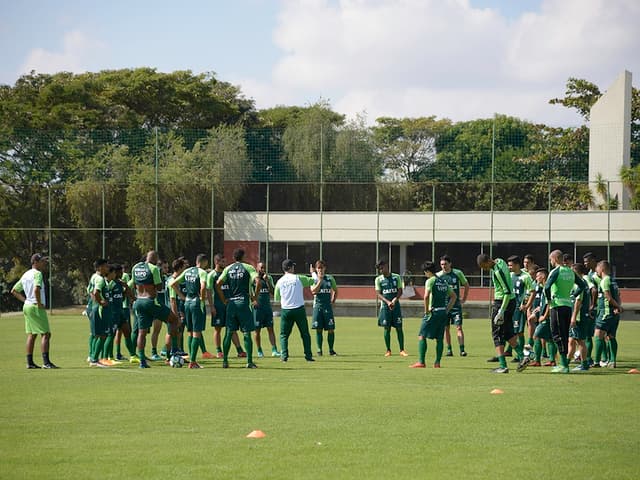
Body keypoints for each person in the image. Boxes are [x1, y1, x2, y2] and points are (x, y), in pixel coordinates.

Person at [476, 253, 529, 374]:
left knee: (497, 334)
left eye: (484, 266)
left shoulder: (497, 272)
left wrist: (501, 311)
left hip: (502, 303)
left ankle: (503, 365)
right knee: (508, 332)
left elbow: (506, 291)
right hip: (511, 302)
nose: (484, 269)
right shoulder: (500, 261)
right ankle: (523, 357)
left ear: (487, 262)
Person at [131, 250, 181, 369]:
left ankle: (142, 361)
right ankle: (173, 353)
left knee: (142, 332)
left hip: (139, 301)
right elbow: (159, 287)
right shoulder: (154, 269)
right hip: (151, 301)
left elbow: (133, 284)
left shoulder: (135, 267)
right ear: (155, 259)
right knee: (174, 320)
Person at [11, 253, 58, 369]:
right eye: (42, 261)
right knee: (46, 334)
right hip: (36, 307)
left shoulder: (26, 274)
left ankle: (30, 362)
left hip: (27, 306)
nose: (44, 263)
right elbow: (37, 289)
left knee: (32, 334)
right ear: (35, 262)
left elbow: (14, 291)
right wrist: (38, 302)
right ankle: (46, 363)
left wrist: (26, 300)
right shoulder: (38, 274)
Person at [544, 249, 587, 374]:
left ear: (556, 259)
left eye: (551, 260)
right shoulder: (570, 271)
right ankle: (564, 364)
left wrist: (549, 300)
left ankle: (563, 365)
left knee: (557, 335)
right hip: (568, 306)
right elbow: (582, 285)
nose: (550, 262)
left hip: (557, 306)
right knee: (564, 334)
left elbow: (547, 287)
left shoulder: (556, 271)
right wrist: (573, 295)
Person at [215, 248, 259, 368]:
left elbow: (218, 284)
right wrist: (255, 297)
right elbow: (258, 281)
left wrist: (224, 299)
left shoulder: (228, 268)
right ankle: (249, 362)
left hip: (231, 304)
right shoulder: (248, 267)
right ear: (243, 257)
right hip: (243, 302)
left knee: (229, 333)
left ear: (234, 258)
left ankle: (225, 361)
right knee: (246, 333)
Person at [410, 261, 456, 368]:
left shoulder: (430, 281)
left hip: (433, 312)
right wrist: (447, 310)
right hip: (442, 313)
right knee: (439, 338)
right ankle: (437, 362)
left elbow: (426, 296)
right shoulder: (443, 281)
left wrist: (426, 311)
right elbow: (454, 296)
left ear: (427, 271)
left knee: (422, 335)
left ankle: (421, 362)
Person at [171, 254, 211, 368]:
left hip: (187, 302)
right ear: (204, 262)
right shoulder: (202, 272)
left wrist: (182, 296)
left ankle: (190, 359)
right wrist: (202, 298)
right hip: (196, 304)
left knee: (190, 332)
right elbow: (203, 287)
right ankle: (193, 362)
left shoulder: (188, 271)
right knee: (197, 332)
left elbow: (173, 283)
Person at [274, 258, 315, 363]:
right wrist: (313, 273)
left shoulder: (279, 281)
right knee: (305, 334)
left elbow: (277, 298)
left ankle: (284, 356)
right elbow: (314, 280)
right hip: (299, 309)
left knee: (284, 335)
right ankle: (308, 356)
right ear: (291, 267)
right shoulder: (298, 278)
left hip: (286, 310)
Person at [206, 253, 245, 359]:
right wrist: (211, 306)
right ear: (216, 262)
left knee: (232, 328)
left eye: (225, 261)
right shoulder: (212, 275)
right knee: (218, 329)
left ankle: (240, 350)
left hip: (229, 305)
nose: (225, 263)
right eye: (223, 261)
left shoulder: (227, 273)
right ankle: (219, 351)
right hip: (218, 306)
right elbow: (209, 292)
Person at [592, 260, 623, 368]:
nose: (596, 270)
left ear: (602, 269)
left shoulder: (605, 280)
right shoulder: (613, 281)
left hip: (606, 313)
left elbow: (608, 297)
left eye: (597, 268)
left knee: (598, 335)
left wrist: (618, 306)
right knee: (611, 336)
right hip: (614, 314)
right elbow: (618, 296)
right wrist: (618, 306)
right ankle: (612, 361)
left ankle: (596, 362)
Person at [374, 259, 408, 357]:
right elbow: (378, 294)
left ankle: (402, 350)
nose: (381, 270)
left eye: (382, 268)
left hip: (396, 306)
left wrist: (394, 300)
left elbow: (400, 291)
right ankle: (388, 350)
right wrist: (388, 302)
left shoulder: (396, 277)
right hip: (385, 307)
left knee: (399, 328)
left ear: (386, 266)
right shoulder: (378, 279)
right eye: (379, 269)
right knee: (386, 328)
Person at [437, 255, 468, 357]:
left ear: (450, 264)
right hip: (444, 307)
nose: (443, 266)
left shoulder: (457, 273)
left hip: (456, 306)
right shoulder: (438, 275)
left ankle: (462, 350)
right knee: (446, 328)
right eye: (442, 264)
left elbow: (466, 285)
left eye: (445, 264)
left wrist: (464, 299)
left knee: (459, 327)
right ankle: (449, 350)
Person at [506, 255, 534, 363]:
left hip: (519, 308)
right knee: (512, 331)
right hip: (511, 308)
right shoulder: (510, 276)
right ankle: (515, 353)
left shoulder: (525, 277)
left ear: (517, 265)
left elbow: (532, 292)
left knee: (519, 332)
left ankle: (520, 356)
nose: (509, 267)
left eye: (511, 265)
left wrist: (526, 306)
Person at [86, 258, 112, 367]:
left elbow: (89, 290)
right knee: (102, 335)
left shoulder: (94, 276)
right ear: (100, 267)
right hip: (100, 309)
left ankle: (93, 357)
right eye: (106, 266)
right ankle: (94, 359)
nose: (108, 268)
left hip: (94, 308)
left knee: (97, 334)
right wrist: (101, 302)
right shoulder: (100, 279)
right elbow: (96, 292)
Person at [310, 260, 338, 356]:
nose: (320, 270)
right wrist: (320, 280)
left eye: (322, 268)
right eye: (318, 268)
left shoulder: (330, 279)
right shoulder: (314, 279)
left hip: (327, 307)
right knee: (319, 329)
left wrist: (333, 301)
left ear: (325, 268)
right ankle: (319, 350)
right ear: (316, 269)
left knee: (331, 329)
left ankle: (331, 350)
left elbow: (335, 290)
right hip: (318, 307)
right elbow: (313, 291)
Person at [529, 268, 556, 366]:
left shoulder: (547, 287)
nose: (536, 278)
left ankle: (537, 361)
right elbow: (546, 302)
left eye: (537, 276)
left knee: (536, 336)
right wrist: (540, 308)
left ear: (543, 276)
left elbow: (550, 303)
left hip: (547, 318)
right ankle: (552, 360)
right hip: (549, 317)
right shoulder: (544, 287)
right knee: (550, 338)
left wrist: (544, 316)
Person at [253, 261, 280, 358]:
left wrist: (268, 281)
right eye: (261, 268)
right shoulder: (253, 279)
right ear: (257, 268)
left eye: (264, 268)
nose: (263, 270)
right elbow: (249, 292)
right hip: (257, 309)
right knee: (257, 330)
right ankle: (259, 351)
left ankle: (274, 350)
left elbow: (273, 292)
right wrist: (253, 300)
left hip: (267, 308)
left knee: (270, 328)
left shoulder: (269, 278)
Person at [568, 263, 592, 372]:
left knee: (580, 341)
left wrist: (573, 317)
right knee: (572, 340)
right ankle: (566, 362)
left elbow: (578, 302)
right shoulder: (584, 283)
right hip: (581, 316)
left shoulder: (579, 284)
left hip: (579, 317)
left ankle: (584, 364)